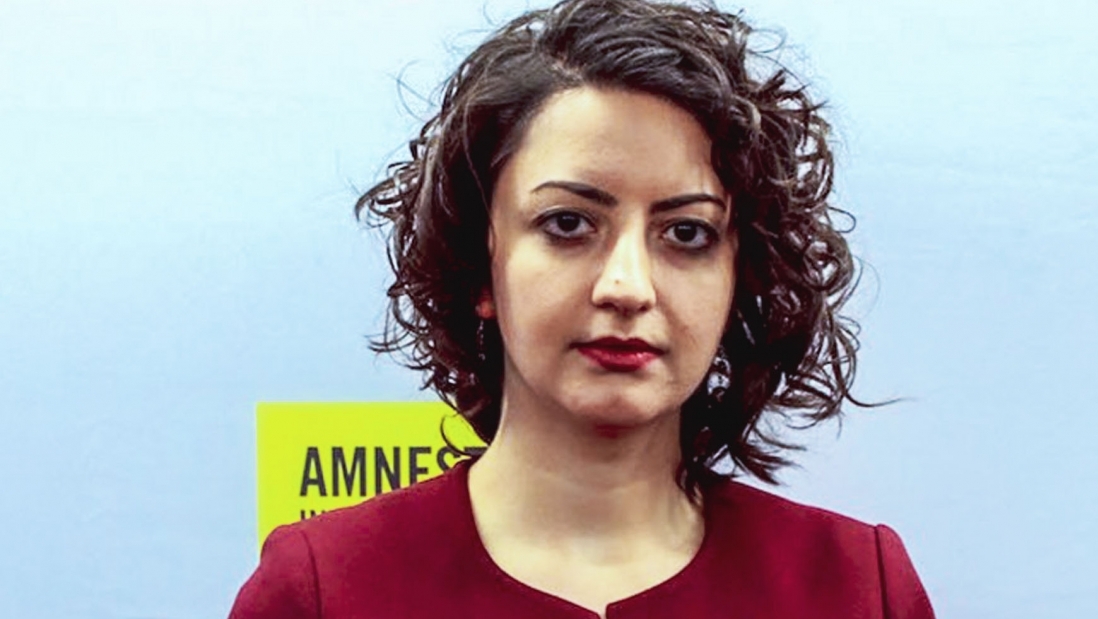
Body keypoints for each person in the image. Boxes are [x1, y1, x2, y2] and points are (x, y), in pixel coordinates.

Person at [229, 0, 935, 617]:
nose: (627, 286)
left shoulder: (855, 586)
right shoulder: (323, 589)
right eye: (568, 224)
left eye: (687, 233)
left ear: (738, 277)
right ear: (481, 264)